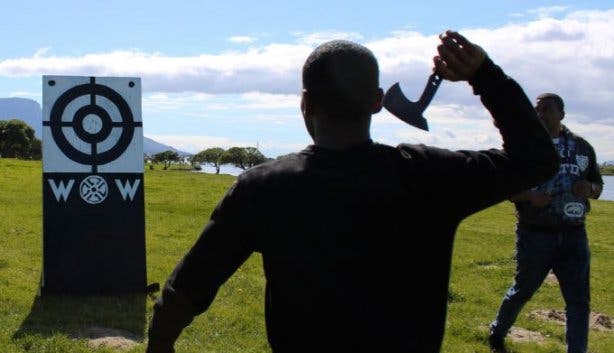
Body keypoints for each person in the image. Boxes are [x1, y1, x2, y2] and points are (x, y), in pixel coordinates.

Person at [146, 30, 558, 353]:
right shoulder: (429, 175)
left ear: (305, 103)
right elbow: (537, 159)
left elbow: (194, 282)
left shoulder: (265, 188)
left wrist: (161, 342)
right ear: (378, 101)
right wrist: (485, 76)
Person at [488, 93, 603, 353]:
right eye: (537, 110)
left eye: (547, 109)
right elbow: (506, 189)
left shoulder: (582, 148)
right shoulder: (524, 148)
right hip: (535, 234)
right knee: (523, 289)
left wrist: (590, 187)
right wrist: (530, 196)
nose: (541, 114)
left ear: (561, 114)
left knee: (578, 300)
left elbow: (598, 185)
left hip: (574, 234)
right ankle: (497, 332)